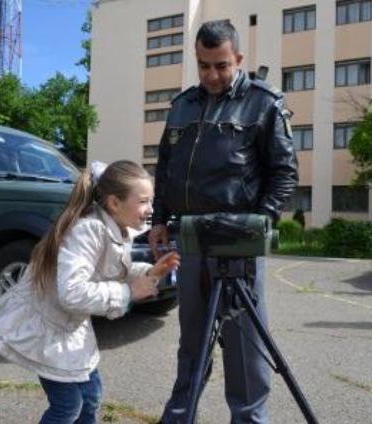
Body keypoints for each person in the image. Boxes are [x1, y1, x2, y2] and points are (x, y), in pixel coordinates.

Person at [149, 20, 298, 423]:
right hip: (192, 236)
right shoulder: (182, 105)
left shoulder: (264, 102)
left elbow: (284, 174)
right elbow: (165, 167)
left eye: (221, 65)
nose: (212, 75)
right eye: (203, 66)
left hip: (239, 240)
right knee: (192, 340)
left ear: (239, 60)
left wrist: (259, 225)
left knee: (245, 345)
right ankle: (181, 415)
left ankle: (249, 418)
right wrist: (160, 218)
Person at [0, 160, 180, 423]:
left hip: (70, 329)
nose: (150, 209)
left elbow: (113, 271)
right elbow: (72, 292)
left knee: (90, 398)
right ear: (114, 203)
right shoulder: (87, 230)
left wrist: (149, 272)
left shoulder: (115, 228)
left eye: (152, 201)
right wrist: (127, 293)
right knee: (68, 407)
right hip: (49, 331)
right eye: (144, 201)